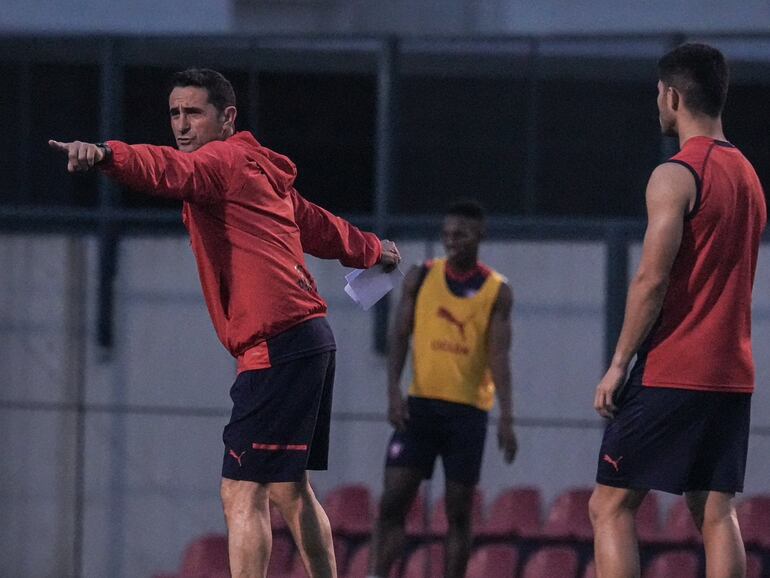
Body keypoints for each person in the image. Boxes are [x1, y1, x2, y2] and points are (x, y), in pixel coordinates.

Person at [49, 68, 401, 578]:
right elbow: (318, 225)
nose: (182, 125)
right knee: (288, 486)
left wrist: (107, 153)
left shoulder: (220, 160)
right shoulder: (258, 169)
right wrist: (373, 249)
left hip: (276, 346)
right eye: (174, 113)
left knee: (240, 490)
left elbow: (168, 169)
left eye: (194, 112)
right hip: (306, 341)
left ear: (227, 117)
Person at [590, 43, 766, 578]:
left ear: (672, 95)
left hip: (675, 368)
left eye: (658, 95)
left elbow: (652, 278)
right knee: (714, 511)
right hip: (732, 373)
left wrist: (619, 363)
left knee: (610, 506)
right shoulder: (749, 176)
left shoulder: (676, 173)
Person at [367, 201, 517, 578]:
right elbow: (399, 336)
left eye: (461, 234)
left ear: (480, 235)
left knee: (458, 510)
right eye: (447, 234)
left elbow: (499, 356)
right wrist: (392, 393)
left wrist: (506, 417)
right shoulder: (421, 276)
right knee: (393, 500)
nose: (452, 241)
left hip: (467, 412)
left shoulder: (496, 290)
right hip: (419, 408)